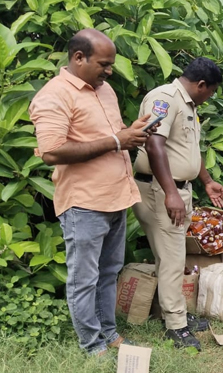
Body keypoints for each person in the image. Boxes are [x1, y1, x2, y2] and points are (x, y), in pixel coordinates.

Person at [29, 29, 155, 356]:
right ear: (78, 57)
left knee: (109, 273)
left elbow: (106, 135)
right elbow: (52, 151)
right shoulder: (53, 95)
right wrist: (117, 141)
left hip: (117, 197)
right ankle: (92, 344)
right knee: (83, 280)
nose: (110, 71)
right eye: (104, 64)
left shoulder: (106, 89)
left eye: (111, 65)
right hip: (84, 205)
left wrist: (129, 133)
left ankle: (109, 333)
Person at [132, 58, 223, 351]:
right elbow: (154, 145)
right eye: (210, 91)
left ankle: (173, 313)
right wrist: (171, 192)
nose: (209, 97)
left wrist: (207, 181)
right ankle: (176, 326)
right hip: (160, 191)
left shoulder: (188, 106)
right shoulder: (164, 99)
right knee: (172, 260)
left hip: (175, 189)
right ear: (201, 85)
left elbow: (187, 151)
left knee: (168, 258)